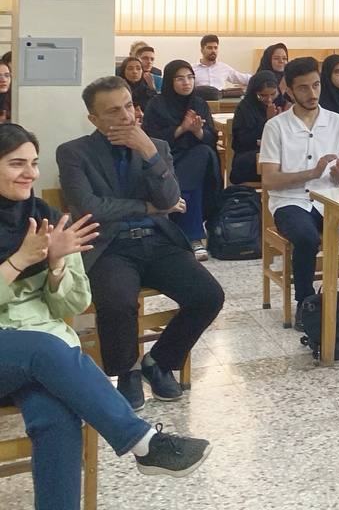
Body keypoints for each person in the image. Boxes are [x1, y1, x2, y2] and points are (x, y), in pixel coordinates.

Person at [0, 123, 211, 505]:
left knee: (57, 416)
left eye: (33, 162)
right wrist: (19, 261)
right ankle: (144, 442)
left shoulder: (45, 219)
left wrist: (56, 265)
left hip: (37, 359)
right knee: (44, 348)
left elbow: (71, 305)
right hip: (31, 352)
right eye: (17, 164)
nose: (30, 173)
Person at [58, 77, 225, 411]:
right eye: (113, 111)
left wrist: (148, 153)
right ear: (94, 119)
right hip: (109, 246)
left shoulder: (156, 147)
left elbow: (171, 198)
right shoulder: (73, 152)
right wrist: (148, 208)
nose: (126, 116)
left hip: (158, 241)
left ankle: (159, 361)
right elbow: (90, 208)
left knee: (209, 296)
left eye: (128, 106)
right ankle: (127, 373)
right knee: (118, 303)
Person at [259, 57, 339, 324]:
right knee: (306, 238)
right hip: (289, 201)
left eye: (315, 85)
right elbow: (269, 180)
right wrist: (311, 173)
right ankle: (306, 302)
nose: (312, 93)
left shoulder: (336, 122)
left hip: (330, 199)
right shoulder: (276, 126)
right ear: (289, 91)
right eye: (303, 88)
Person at [140, 61, 222, 259]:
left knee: (203, 153)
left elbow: (211, 138)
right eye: (180, 78)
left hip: (195, 158)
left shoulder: (199, 103)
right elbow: (151, 141)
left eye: (190, 77)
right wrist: (181, 129)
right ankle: (193, 237)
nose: (187, 83)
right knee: (196, 174)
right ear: (169, 81)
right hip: (167, 160)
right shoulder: (157, 105)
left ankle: (185, 232)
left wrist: (198, 131)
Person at [229, 71, 280, 185]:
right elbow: (240, 142)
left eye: (273, 94)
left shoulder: (282, 104)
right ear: (254, 93)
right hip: (250, 155)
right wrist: (267, 122)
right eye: (263, 95)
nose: (269, 99)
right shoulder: (245, 108)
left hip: (278, 154)